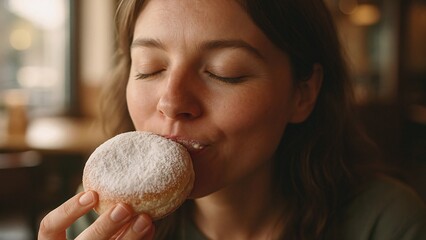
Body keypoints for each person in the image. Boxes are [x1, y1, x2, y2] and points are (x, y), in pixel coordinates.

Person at [38, 0, 426, 239]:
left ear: (303, 92)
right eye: (149, 67)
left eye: (226, 72)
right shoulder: (103, 223)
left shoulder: (387, 224)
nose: (172, 102)